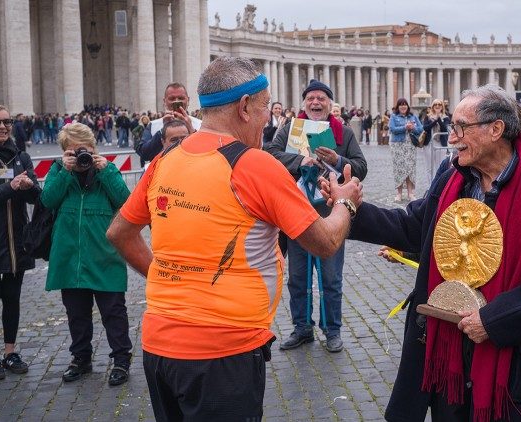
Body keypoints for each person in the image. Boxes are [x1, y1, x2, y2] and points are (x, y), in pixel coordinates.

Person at [106, 57, 362, 421]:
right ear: (244, 107)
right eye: (263, 109)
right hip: (224, 352)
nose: (266, 121)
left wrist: (167, 276)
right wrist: (346, 204)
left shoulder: (165, 160)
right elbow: (324, 242)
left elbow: (120, 232)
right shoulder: (254, 165)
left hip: (159, 345)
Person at [332, 84, 521, 421]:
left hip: (519, 363)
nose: (451, 137)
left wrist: (493, 320)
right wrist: (352, 209)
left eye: (460, 127)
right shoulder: (452, 180)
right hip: (451, 354)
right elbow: (413, 227)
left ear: (496, 129)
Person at [265, 79, 367, 353]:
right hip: (295, 212)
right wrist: (300, 162)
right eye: (311, 98)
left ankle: (332, 330)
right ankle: (302, 328)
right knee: (297, 277)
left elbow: (360, 166)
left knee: (331, 277)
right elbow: (270, 154)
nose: (315, 103)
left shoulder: (343, 133)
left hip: (330, 214)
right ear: (304, 102)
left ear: (330, 103)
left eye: (321, 98)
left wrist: (336, 160)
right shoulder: (289, 129)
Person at [41, 122, 132, 386]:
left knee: (114, 311)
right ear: (64, 152)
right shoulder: (59, 171)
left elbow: (126, 202)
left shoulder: (108, 170)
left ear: (94, 148)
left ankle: (121, 360)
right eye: (74, 152)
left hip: (104, 256)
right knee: (76, 313)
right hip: (71, 257)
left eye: (86, 150)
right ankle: (81, 358)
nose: (82, 157)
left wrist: (105, 172)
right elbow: (47, 201)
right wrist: (66, 172)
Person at [0, 105, 40, 380]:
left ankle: (10, 351)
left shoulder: (21, 157)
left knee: (12, 301)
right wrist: (8, 188)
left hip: (16, 244)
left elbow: (37, 197)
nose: (2, 127)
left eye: (7, 122)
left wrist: (28, 188)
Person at [138, 83, 202, 163]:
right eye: (172, 99)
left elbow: (208, 151)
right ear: (164, 101)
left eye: (181, 98)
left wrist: (192, 130)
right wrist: (163, 130)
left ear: (188, 100)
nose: (176, 101)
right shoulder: (154, 125)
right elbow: (144, 154)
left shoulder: (200, 125)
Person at [389, 98, 422, 202]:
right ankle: (399, 193)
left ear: (407, 106)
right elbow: (392, 129)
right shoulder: (394, 117)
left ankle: (410, 193)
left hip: (410, 146)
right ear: (398, 107)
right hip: (398, 146)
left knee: (410, 170)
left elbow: (420, 129)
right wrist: (405, 127)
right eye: (401, 105)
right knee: (399, 170)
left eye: (405, 105)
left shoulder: (413, 117)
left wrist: (412, 128)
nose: (403, 107)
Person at [422, 99, 452, 184]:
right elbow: (425, 128)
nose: (437, 106)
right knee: (429, 167)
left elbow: (444, 128)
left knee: (440, 165)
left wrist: (438, 118)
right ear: (432, 106)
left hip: (441, 143)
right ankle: (430, 185)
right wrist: (435, 121)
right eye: (435, 104)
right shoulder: (428, 116)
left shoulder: (446, 117)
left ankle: (439, 186)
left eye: (439, 104)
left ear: (442, 106)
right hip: (429, 143)